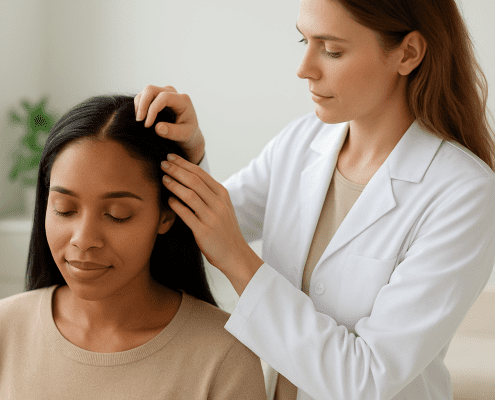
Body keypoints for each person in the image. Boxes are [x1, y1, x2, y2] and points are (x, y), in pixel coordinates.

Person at [133, 0, 495, 399]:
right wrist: (189, 153)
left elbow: (367, 379)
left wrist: (238, 261)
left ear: (407, 53)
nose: (304, 68)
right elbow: (199, 226)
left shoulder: (464, 194)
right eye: (304, 40)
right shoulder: (301, 142)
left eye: (331, 50)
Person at [0, 95, 267, 399]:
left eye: (117, 214)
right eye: (64, 209)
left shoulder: (224, 356)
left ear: (166, 215)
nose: (83, 238)